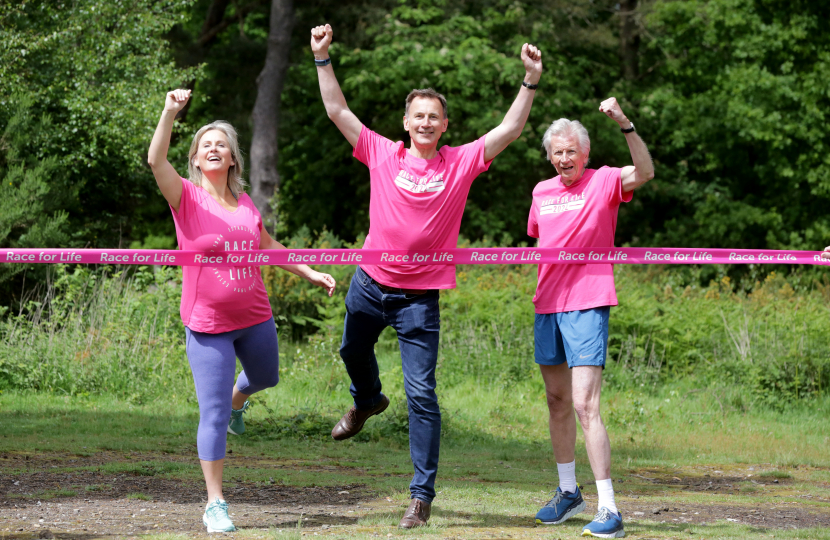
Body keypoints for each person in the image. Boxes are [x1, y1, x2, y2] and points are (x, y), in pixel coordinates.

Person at [310, 23, 542, 528]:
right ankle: (367, 400)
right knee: (352, 350)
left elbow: (509, 132)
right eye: (418, 115)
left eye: (434, 117)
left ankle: (420, 497)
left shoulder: (459, 163)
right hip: (370, 283)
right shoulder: (381, 152)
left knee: (422, 395)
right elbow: (337, 111)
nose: (425, 122)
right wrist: (322, 58)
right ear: (405, 121)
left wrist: (529, 81)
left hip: (419, 298)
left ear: (444, 125)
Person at [147, 89, 336, 533]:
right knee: (210, 413)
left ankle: (239, 401)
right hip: (208, 324)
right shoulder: (186, 199)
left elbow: (269, 246)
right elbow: (156, 161)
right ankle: (215, 503)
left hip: (254, 314)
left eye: (222, 144)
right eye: (206, 144)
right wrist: (170, 112)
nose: (214, 149)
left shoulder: (246, 204)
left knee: (267, 377)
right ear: (195, 159)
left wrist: (309, 272)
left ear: (233, 159)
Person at [528, 98, 654, 538]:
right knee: (557, 402)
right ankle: (568, 493)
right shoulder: (541, 192)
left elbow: (645, 172)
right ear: (550, 156)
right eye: (557, 152)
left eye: (572, 152)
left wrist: (625, 124)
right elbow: (541, 242)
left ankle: (610, 508)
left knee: (585, 404)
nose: (565, 159)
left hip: (587, 302)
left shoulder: (602, 181)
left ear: (585, 155)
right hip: (547, 304)